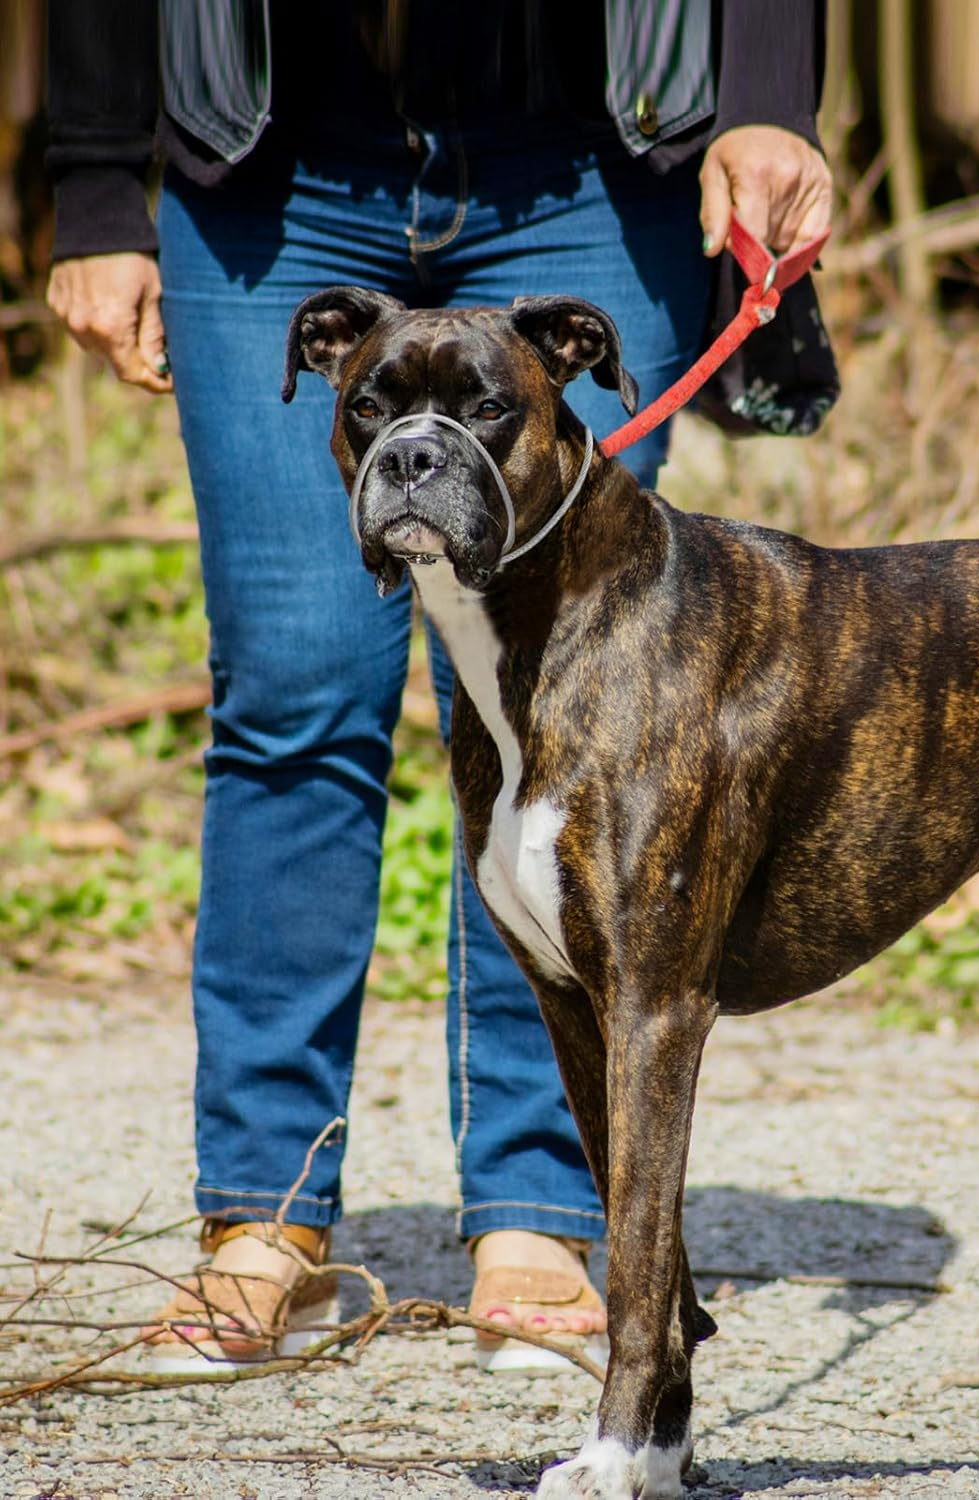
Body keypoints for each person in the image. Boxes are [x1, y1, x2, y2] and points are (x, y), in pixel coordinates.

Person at [45, 0, 832, 1373]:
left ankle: (536, 1210)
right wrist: (100, 183)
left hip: (592, 157)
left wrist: (765, 91)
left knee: (574, 719)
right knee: (290, 698)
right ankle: (266, 1224)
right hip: (275, 173)